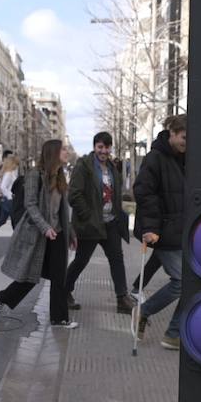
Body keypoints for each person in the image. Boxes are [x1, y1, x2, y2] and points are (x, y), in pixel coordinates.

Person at [0, 139, 78, 328]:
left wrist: (70, 233)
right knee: (31, 277)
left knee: (59, 277)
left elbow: (63, 209)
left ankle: (59, 318)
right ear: (53, 153)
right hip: (38, 234)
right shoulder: (34, 175)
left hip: (58, 233)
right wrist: (45, 227)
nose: (67, 152)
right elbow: (30, 204)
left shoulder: (60, 175)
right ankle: (3, 297)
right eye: (63, 149)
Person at [65, 132, 135, 314]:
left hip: (110, 222)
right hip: (91, 224)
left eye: (107, 147)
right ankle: (63, 291)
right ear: (95, 147)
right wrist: (87, 214)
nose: (104, 151)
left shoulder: (112, 167)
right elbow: (74, 194)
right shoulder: (84, 165)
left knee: (117, 259)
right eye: (100, 147)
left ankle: (122, 299)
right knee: (81, 260)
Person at [133, 115, 188, 350]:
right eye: (185, 137)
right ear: (172, 133)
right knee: (183, 281)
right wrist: (151, 228)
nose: (189, 142)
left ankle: (173, 334)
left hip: (183, 230)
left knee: (192, 283)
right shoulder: (155, 158)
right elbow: (145, 193)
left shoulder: (185, 158)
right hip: (163, 231)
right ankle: (143, 311)